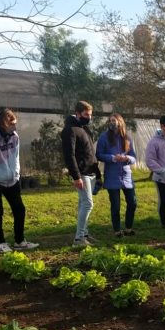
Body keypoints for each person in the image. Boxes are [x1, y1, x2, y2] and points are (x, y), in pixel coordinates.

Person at [0, 108, 39, 253]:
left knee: (19, 209)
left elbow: (15, 157)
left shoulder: (14, 136)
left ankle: (20, 241)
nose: (15, 127)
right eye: (12, 124)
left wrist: (16, 174)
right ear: (3, 125)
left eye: (15, 124)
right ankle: (1, 243)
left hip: (12, 180)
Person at [62, 100, 101, 246]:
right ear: (78, 113)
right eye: (86, 114)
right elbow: (69, 155)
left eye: (90, 114)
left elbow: (90, 152)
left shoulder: (84, 129)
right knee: (88, 204)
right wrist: (76, 176)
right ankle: (78, 239)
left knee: (83, 204)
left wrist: (97, 173)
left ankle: (84, 234)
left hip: (90, 172)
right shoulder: (70, 130)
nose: (89, 117)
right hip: (81, 173)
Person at [96, 113, 138, 236]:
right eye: (109, 121)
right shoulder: (104, 137)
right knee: (116, 205)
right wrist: (113, 158)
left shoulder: (126, 138)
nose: (111, 123)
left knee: (132, 202)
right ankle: (117, 230)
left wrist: (127, 158)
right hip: (112, 175)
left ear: (120, 122)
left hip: (127, 176)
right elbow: (99, 154)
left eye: (114, 120)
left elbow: (134, 157)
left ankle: (128, 228)